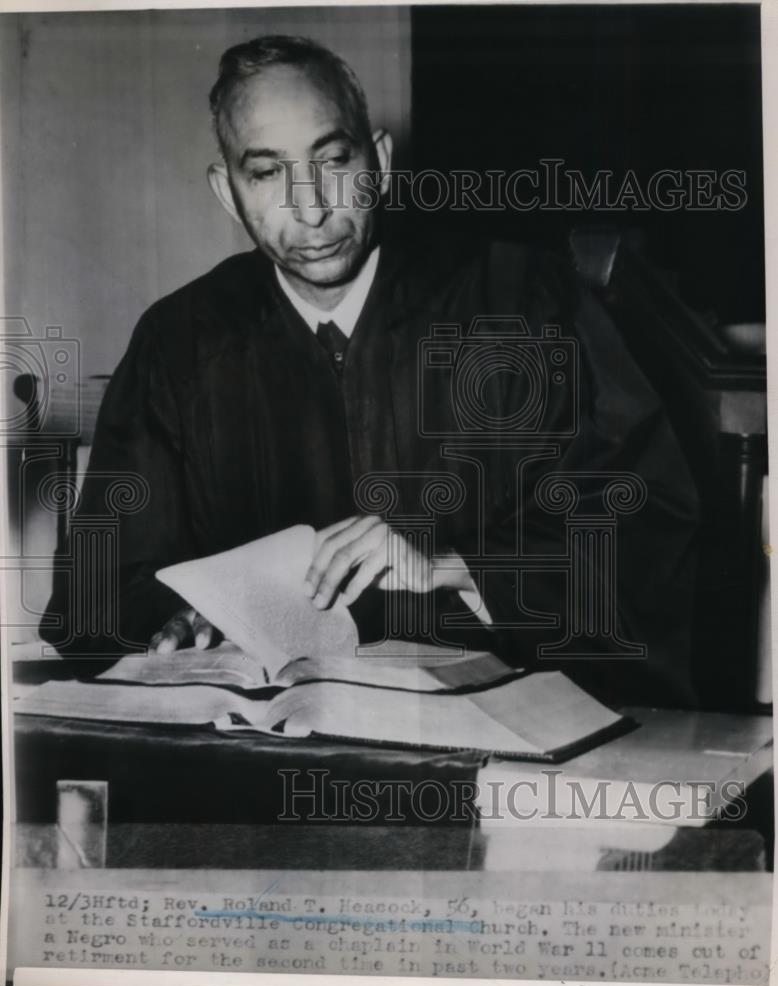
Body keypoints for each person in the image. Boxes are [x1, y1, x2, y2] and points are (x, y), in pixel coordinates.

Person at [42, 35, 699, 707]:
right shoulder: (179, 345)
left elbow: (654, 528)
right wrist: (188, 619)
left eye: (333, 160)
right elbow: (97, 597)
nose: (312, 208)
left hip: (506, 747)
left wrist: (457, 566)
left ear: (380, 161)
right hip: (274, 753)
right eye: (266, 173)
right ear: (227, 191)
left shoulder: (523, 302)